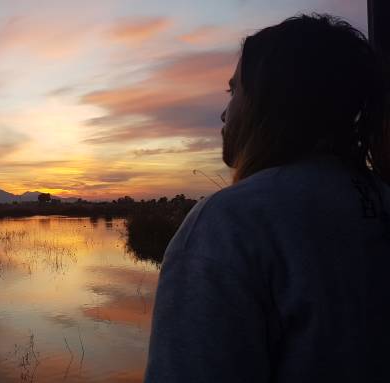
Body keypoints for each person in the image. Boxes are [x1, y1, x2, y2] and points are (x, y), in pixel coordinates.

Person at [145, 14, 390, 382]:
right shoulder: (381, 198)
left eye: (234, 91)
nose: (225, 114)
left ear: (267, 100)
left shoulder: (228, 224)